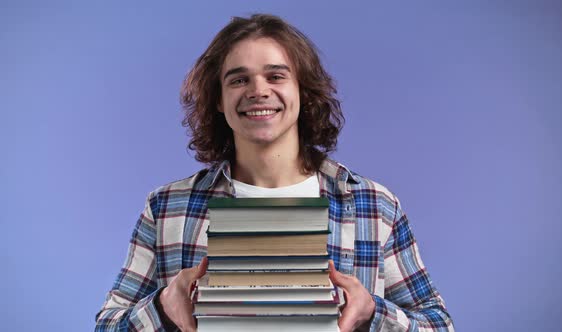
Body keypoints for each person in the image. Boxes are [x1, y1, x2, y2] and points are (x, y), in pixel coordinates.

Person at [95, 14, 454, 332]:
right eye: (239, 80)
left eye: (276, 76)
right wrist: (162, 307)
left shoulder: (373, 206)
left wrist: (373, 313)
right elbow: (108, 325)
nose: (258, 91)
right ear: (218, 99)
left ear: (302, 91)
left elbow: (439, 325)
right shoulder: (167, 207)